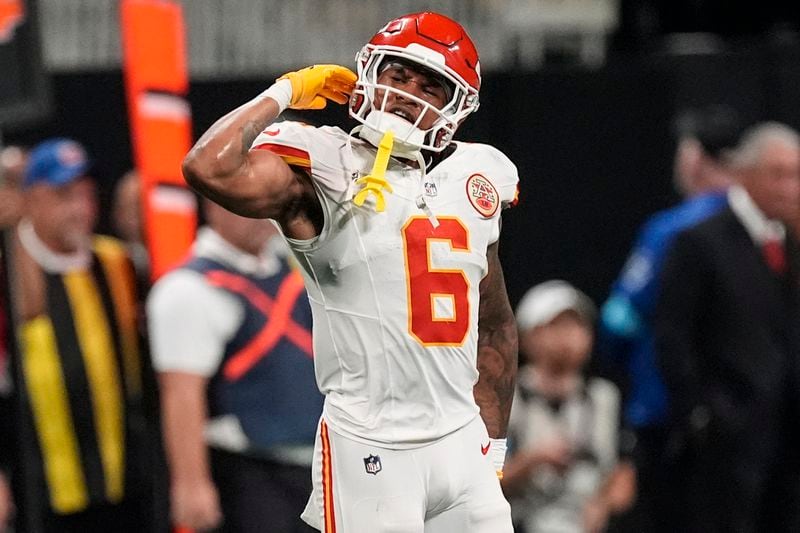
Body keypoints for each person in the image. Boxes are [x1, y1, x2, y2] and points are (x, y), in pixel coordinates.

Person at [182, 11, 519, 532]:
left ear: (455, 107)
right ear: (369, 72)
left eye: (429, 85)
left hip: (460, 443)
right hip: (371, 446)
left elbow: (494, 325)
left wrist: (491, 448)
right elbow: (208, 166)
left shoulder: (479, 173)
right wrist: (287, 91)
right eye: (397, 74)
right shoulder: (326, 164)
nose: (407, 93)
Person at [597, 104, 742, 530]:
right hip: (746, 415)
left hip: (669, 416)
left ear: (693, 156)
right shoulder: (765, 227)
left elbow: (619, 321)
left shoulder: (672, 230)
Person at [654, 122, 800, 532]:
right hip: (725, 440)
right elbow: (671, 335)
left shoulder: (789, 241)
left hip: (787, 439)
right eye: (780, 173)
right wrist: (701, 416)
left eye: (797, 174)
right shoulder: (699, 241)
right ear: (743, 173)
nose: (791, 187)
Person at [4, 138, 154, 532]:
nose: (81, 209)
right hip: (41, 490)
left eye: (88, 196)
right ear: (31, 199)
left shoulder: (116, 262)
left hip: (126, 482)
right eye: (65, 195)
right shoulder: (12, 272)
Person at [147, 198, 322, 532]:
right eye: (242, 202)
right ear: (213, 206)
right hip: (252, 475)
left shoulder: (292, 267)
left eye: (262, 201)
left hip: (315, 467)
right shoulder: (188, 288)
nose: (257, 213)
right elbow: (181, 393)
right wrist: (191, 483)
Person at [503, 280, 635, 533]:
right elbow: (481, 483)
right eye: (557, 326)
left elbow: (623, 476)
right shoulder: (507, 397)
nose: (569, 336)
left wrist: (603, 504)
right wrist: (531, 462)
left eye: (577, 325)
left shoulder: (604, 398)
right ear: (529, 335)